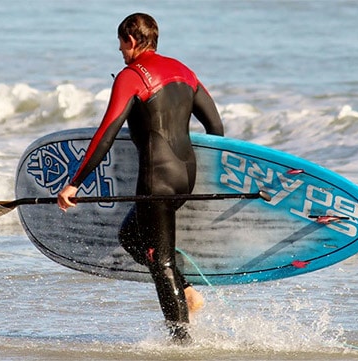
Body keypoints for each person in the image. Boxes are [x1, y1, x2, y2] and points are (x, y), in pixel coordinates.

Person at [57, 13, 224, 343]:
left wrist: (75, 182)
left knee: (158, 260)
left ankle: (181, 342)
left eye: (121, 44)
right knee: (132, 236)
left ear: (131, 41)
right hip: (185, 178)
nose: (120, 51)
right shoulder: (184, 71)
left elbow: (106, 134)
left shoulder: (131, 76)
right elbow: (216, 128)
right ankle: (187, 291)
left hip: (156, 182)